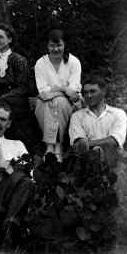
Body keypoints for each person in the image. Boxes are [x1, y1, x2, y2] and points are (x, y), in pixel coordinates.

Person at [0, 22, 44, 157]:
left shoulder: (19, 60)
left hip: (17, 99)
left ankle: (23, 153)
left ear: (10, 39)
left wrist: (1, 98)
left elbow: (23, 88)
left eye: (0, 37)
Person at [0, 103, 34, 254]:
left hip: (11, 193)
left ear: (9, 124)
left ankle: (0, 237)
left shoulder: (17, 145)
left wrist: (9, 171)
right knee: (18, 177)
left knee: (25, 181)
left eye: (3, 120)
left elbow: (30, 175)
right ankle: (3, 237)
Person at [34, 29, 82, 162]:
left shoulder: (73, 62)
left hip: (70, 101)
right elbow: (43, 91)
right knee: (43, 103)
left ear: (64, 44)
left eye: (59, 45)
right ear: (47, 46)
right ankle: (51, 145)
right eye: (52, 46)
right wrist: (63, 88)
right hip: (46, 101)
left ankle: (59, 145)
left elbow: (73, 91)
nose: (55, 49)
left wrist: (56, 93)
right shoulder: (40, 63)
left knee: (59, 102)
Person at [69, 75, 127, 157]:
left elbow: (114, 141)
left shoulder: (118, 114)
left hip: (113, 160)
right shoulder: (77, 117)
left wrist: (88, 143)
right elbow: (80, 145)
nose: (89, 95)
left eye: (93, 91)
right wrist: (86, 145)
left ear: (103, 91)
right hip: (88, 161)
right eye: (86, 92)